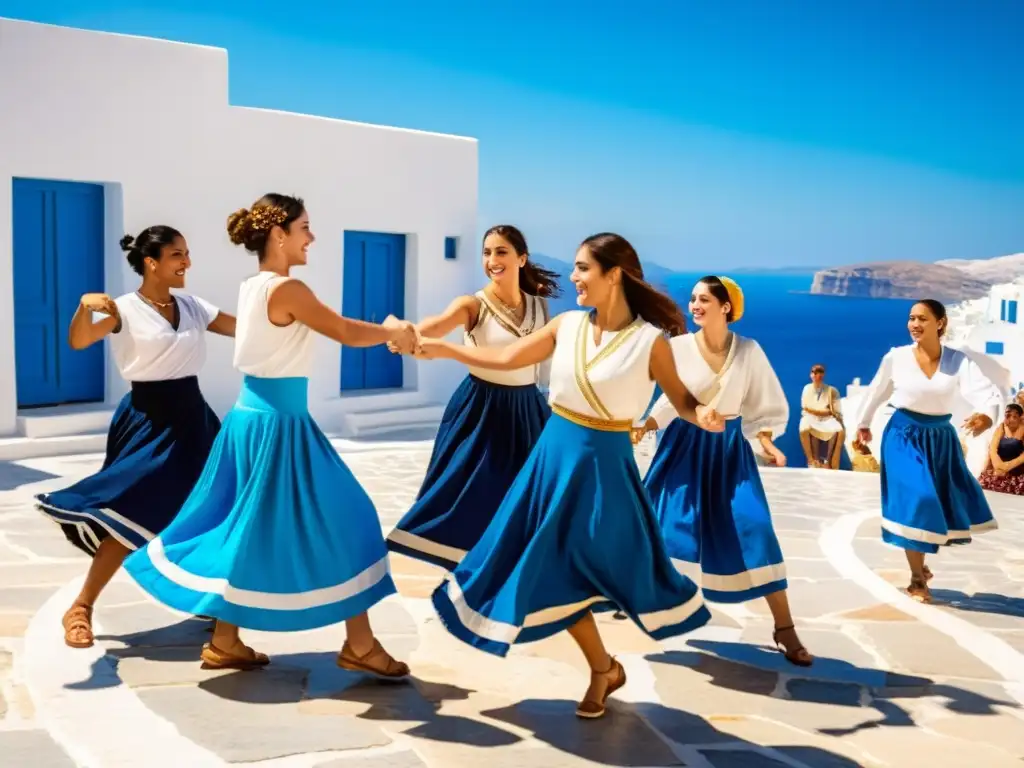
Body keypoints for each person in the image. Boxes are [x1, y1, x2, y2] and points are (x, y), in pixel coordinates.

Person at [408, 233, 717, 720]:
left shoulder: (649, 342)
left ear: (613, 274)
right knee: (554, 564)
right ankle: (602, 669)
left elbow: (682, 401)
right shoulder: (567, 324)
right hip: (551, 459)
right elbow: (508, 359)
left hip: (604, 468)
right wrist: (451, 353)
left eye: (582, 268)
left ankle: (603, 667)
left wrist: (704, 417)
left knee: (591, 567)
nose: (572, 277)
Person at [125, 194, 417, 675]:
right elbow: (342, 330)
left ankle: (225, 641)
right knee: (350, 518)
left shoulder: (252, 286)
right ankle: (360, 646)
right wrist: (395, 331)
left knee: (248, 529)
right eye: (305, 227)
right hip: (279, 426)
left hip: (254, 419)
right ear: (279, 234)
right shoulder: (287, 289)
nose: (311, 236)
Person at [35, 226, 231, 649]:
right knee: (134, 510)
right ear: (151, 261)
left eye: (188, 253)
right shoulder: (124, 309)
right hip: (149, 419)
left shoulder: (193, 306)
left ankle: (211, 602)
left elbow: (247, 330)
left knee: (213, 508)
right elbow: (79, 339)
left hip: (194, 419)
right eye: (178, 254)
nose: (187, 263)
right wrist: (84, 308)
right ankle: (81, 608)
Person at [637, 276, 812, 668]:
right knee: (671, 535)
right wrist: (645, 425)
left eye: (704, 300)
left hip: (730, 450)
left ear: (726, 306)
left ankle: (784, 627)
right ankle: (641, 602)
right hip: (683, 447)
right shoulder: (678, 347)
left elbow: (763, 403)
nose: (695, 305)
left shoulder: (749, 351)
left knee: (756, 530)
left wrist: (765, 441)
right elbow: (670, 399)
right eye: (693, 299)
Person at [385, 225, 558, 569]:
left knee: (530, 495)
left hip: (528, 409)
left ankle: (513, 568)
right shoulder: (472, 305)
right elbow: (433, 327)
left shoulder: (540, 308)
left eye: (501, 252)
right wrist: (403, 333)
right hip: (481, 409)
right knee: (471, 493)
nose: (492, 260)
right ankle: (471, 568)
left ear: (521, 259)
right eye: (486, 252)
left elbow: (546, 368)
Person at [856, 299, 1002, 603]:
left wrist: (986, 415)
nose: (914, 324)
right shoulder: (896, 357)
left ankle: (919, 568)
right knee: (918, 497)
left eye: (922, 318)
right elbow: (876, 391)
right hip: (902, 435)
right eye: (911, 318)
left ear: (940, 323)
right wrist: (863, 424)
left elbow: (986, 392)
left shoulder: (958, 362)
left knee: (935, 503)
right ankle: (916, 579)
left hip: (939, 438)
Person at [798, 364, 845, 469]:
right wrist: (821, 412)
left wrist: (825, 413)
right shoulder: (807, 388)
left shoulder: (831, 390)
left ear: (823, 374)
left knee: (838, 429)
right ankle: (812, 460)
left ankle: (828, 462)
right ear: (811, 375)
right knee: (804, 428)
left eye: (819, 372)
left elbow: (834, 410)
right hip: (810, 417)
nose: (816, 375)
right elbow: (805, 407)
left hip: (827, 419)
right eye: (814, 372)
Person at [978, 402, 1024, 495]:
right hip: (998, 470)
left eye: (1015, 417)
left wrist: (1006, 467)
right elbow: (992, 449)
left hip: (1016, 472)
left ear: (1020, 418)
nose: (1010, 419)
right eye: (1008, 416)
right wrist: (997, 466)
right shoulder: (1002, 427)